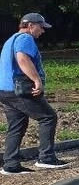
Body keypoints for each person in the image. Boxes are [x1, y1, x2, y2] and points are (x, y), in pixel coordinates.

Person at [0, 12, 68, 175]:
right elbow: (23, 59)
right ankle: (46, 158)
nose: (43, 31)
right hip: (19, 90)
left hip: (5, 91)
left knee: (17, 125)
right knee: (48, 117)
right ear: (30, 26)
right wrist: (36, 80)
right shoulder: (25, 39)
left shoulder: (11, 39)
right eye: (41, 27)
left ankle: (10, 164)